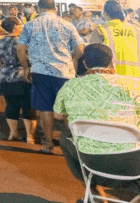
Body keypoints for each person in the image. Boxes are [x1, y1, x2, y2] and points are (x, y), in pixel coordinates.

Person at [54, 43, 140, 199]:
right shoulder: (135, 84)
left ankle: (93, 190)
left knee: (65, 136)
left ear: (85, 63)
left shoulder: (70, 86)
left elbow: (59, 116)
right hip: (134, 165)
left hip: (93, 164)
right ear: (112, 62)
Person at [17, 0, 84, 154]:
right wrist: (69, 57)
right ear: (55, 8)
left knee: (45, 109)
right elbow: (80, 50)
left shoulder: (30, 25)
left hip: (41, 72)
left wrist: (26, 67)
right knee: (68, 110)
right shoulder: (67, 25)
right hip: (65, 72)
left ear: (39, 8)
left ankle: (48, 144)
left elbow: (20, 49)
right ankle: (71, 144)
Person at [0, 17, 37, 143]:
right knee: (27, 106)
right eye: (20, 24)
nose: (22, 26)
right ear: (15, 27)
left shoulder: (0, 42)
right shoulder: (23, 42)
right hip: (22, 76)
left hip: (6, 76)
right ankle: (30, 136)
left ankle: (13, 133)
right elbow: (29, 59)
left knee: (11, 105)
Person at [90, 0, 140, 78]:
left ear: (106, 13)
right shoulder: (137, 29)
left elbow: (93, 56)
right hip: (136, 78)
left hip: (112, 78)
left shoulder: (101, 30)